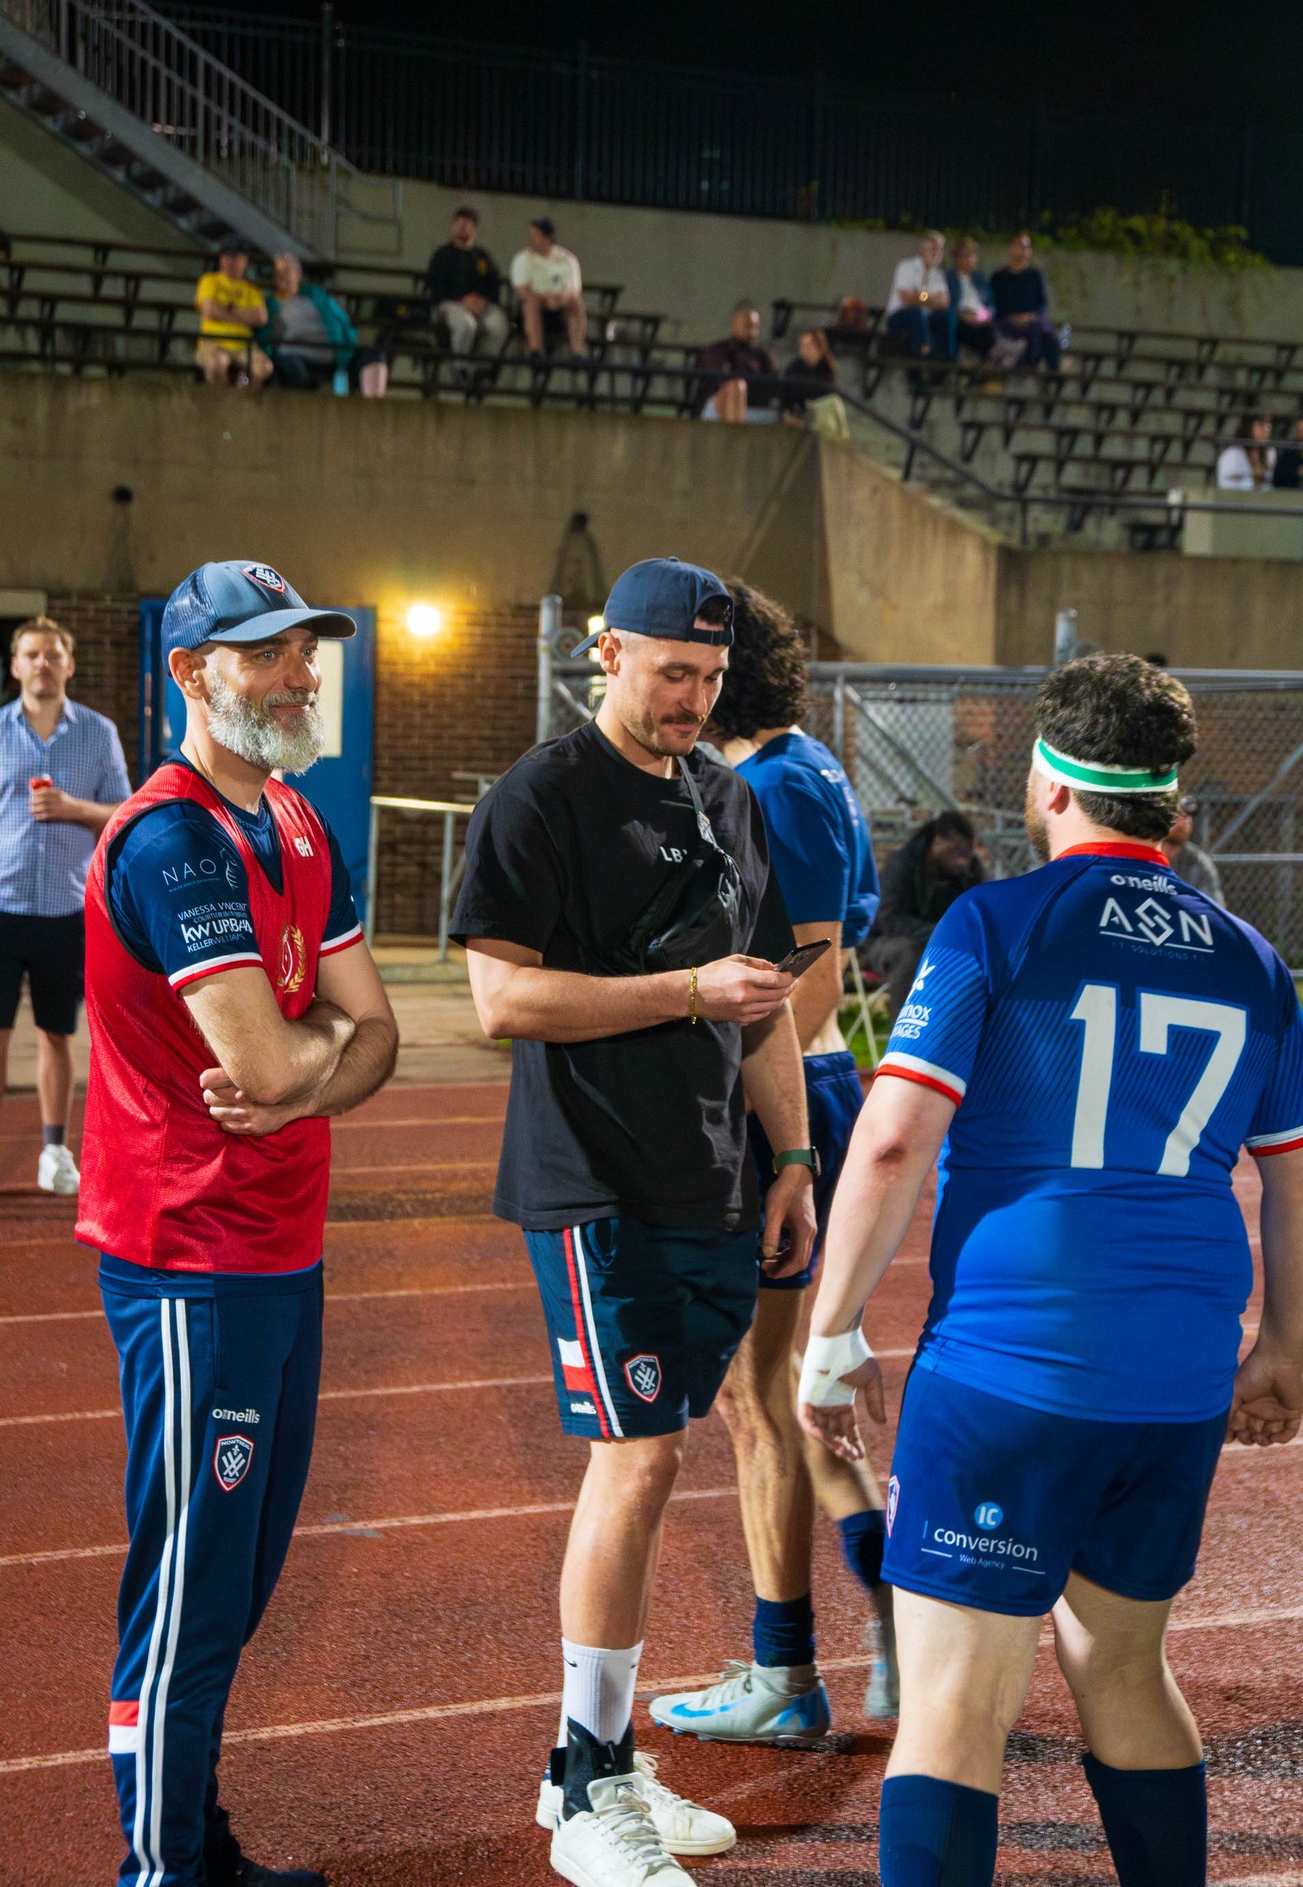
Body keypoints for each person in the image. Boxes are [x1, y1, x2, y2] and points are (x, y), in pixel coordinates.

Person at [799, 651, 1303, 1887]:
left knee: (954, 1705)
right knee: (1126, 1664)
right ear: (1177, 810)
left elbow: (889, 1138)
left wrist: (828, 1335)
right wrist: (1279, 1354)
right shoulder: (1251, 956)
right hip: (1178, 1375)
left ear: (1047, 785)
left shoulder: (998, 921)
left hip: (1011, 1364)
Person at [453, 557, 816, 1887]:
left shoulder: (726, 794)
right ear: (606, 652)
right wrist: (679, 993)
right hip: (594, 1181)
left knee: (658, 1468)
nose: (692, 699)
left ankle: (595, 1759)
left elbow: (762, 996)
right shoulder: (541, 796)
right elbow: (503, 1000)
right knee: (642, 1461)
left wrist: (793, 1155)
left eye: (712, 679)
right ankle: (582, 1782)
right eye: (672, 672)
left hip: (718, 1178)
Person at [78, 560, 399, 1887]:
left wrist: (308, 1064)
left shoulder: (295, 820)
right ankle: (163, 1871)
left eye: (305, 650)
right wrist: (312, 1060)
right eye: (266, 653)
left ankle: (195, 1842)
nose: (299, 674)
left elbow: (370, 1035)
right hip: (190, 1257)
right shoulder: (171, 842)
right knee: (190, 1601)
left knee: (240, 1580)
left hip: (282, 1245)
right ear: (190, 672)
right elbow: (273, 1068)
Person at [647, 582, 895, 1749]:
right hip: (808, 1094)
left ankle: (788, 1666)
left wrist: (758, 1122)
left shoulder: (774, 784)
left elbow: (814, 972)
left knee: (763, 1398)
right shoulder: (806, 767)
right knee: (789, 1389)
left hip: (786, 1103)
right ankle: (888, 1609)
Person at [0, 616, 130, 1194]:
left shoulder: (98, 734)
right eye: (32, 655)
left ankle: (54, 1152)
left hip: (65, 910)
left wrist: (74, 807)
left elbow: (125, 815)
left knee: (57, 1033)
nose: (43, 664)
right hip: (1, 907)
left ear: (69, 665)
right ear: (15, 665)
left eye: (53, 655)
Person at [859, 811, 983, 1017]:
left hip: (943, 943)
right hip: (884, 943)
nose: (962, 861)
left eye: (967, 855)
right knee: (911, 953)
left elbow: (982, 910)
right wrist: (938, 933)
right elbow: (888, 919)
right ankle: (905, 1030)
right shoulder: (902, 865)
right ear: (937, 842)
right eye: (956, 852)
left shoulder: (970, 872)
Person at [260, 253, 363, 393]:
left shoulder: (316, 296)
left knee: (371, 356)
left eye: (286, 271)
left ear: (298, 274)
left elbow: (340, 321)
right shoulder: (270, 305)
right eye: (278, 272)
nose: (282, 276)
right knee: (290, 366)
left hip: (329, 356)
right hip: (291, 359)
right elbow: (264, 338)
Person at [423, 204, 511, 365]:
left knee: (498, 325)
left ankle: (482, 369)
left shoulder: (482, 256)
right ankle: (459, 369)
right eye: (458, 224)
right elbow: (436, 287)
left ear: (474, 229)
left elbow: (494, 285)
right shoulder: (442, 255)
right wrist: (462, 301)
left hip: (479, 306)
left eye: (467, 224)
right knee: (466, 325)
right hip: (449, 305)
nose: (462, 228)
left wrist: (483, 301)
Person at [194, 239, 272, 389]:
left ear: (245, 261)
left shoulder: (252, 289)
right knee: (218, 362)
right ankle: (223, 406)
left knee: (264, 367)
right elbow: (209, 310)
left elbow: (260, 318)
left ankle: (247, 405)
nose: (230, 261)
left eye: (236, 257)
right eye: (227, 256)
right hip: (212, 341)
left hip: (244, 345)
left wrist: (227, 309)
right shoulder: (209, 280)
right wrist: (243, 316)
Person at [510, 215, 589, 362]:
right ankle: (536, 350)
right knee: (531, 304)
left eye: (535, 235)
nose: (530, 239)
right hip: (534, 307)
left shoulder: (567, 259)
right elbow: (522, 290)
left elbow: (574, 288)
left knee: (576, 303)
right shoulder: (522, 258)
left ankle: (577, 351)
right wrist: (545, 299)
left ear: (547, 238)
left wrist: (560, 300)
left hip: (559, 307)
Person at [990, 231, 1063, 372]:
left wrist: (1029, 317)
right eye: (1019, 246)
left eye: (1026, 247)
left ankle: (1050, 371)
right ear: (1010, 248)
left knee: (1047, 333)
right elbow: (994, 303)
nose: (1023, 251)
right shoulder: (999, 277)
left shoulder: (1035, 276)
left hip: (1031, 321)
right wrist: (1011, 317)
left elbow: (1042, 304)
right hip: (1006, 322)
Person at [698, 303, 783, 424]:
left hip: (756, 406)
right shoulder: (718, 350)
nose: (751, 328)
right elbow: (719, 382)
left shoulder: (764, 355)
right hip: (721, 405)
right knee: (736, 386)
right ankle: (734, 440)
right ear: (734, 324)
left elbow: (775, 385)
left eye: (754, 325)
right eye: (746, 324)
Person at [885, 232, 956, 361]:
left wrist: (921, 296)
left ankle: (948, 356)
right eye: (934, 249)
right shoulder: (906, 267)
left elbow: (944, 302)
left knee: (947, 315)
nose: (937, 253)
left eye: (940, 249)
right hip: (900, 317)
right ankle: (924, 350)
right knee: (917, 313)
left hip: (925, 318)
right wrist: (929, 297)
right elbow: (906, 297)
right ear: (923, 249)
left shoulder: (938, 274)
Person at [1163, 791, 1225, 905]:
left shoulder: (1198, 861)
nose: (1183, 823)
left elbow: (1214, 908)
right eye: (1177, 816)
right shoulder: (1145, 854)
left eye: (1187, 817)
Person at [946, 239, 996, 361]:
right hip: (960, 316)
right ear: (955, 258)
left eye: (970, 256)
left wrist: (983, 315)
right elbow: (930, 296)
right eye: (962, 256)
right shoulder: (947, 277)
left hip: (979, 316)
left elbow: (990, 303)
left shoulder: (980, 278)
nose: (966, 260)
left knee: (989, 331)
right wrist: (922, 296)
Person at [783, 328, 838, 415]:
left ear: (820, 347)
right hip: (798, 412)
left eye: (810, 346)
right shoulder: (793, 368)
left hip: (821, 413)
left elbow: (824, 395)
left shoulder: (826, 369)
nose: (805, 350)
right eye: (803, 346)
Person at [1217, 411, 1276, 490]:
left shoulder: (1270, 453)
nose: (1266, 430)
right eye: (1260, 424)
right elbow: (1226, 485)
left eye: (1268, 425)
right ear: (1248, 427)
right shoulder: (1232, 454)